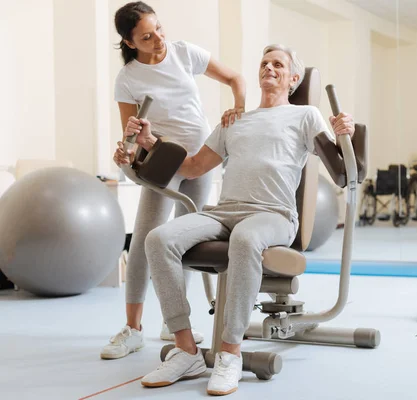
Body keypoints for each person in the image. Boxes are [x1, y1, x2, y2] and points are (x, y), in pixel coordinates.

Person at [114, 43, 354, 396]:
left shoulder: (306, 116)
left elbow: (345, 173)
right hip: (224, 212)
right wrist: (150, 142)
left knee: (245, 239)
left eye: (278, 65)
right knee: (158, 239)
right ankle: (186, 350)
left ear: (293, 78)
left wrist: (346, 134)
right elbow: (193, 167)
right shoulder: (234, 119)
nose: (269, 68)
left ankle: (229, 354)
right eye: (264, 63)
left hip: (273, 215)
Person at [102, 1, 246, 360]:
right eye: (147, 37)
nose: (158, 40)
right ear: (130, 42)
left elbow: (235, 78)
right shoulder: (128, 78)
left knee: (185, 243)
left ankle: (172, 321)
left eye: (159, 29)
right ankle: (133, 329)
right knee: (146, 239)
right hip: (163, 163)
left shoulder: (185, 53)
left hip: (200, 160)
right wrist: (126, 152)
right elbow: (131, 137)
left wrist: (238, 106)